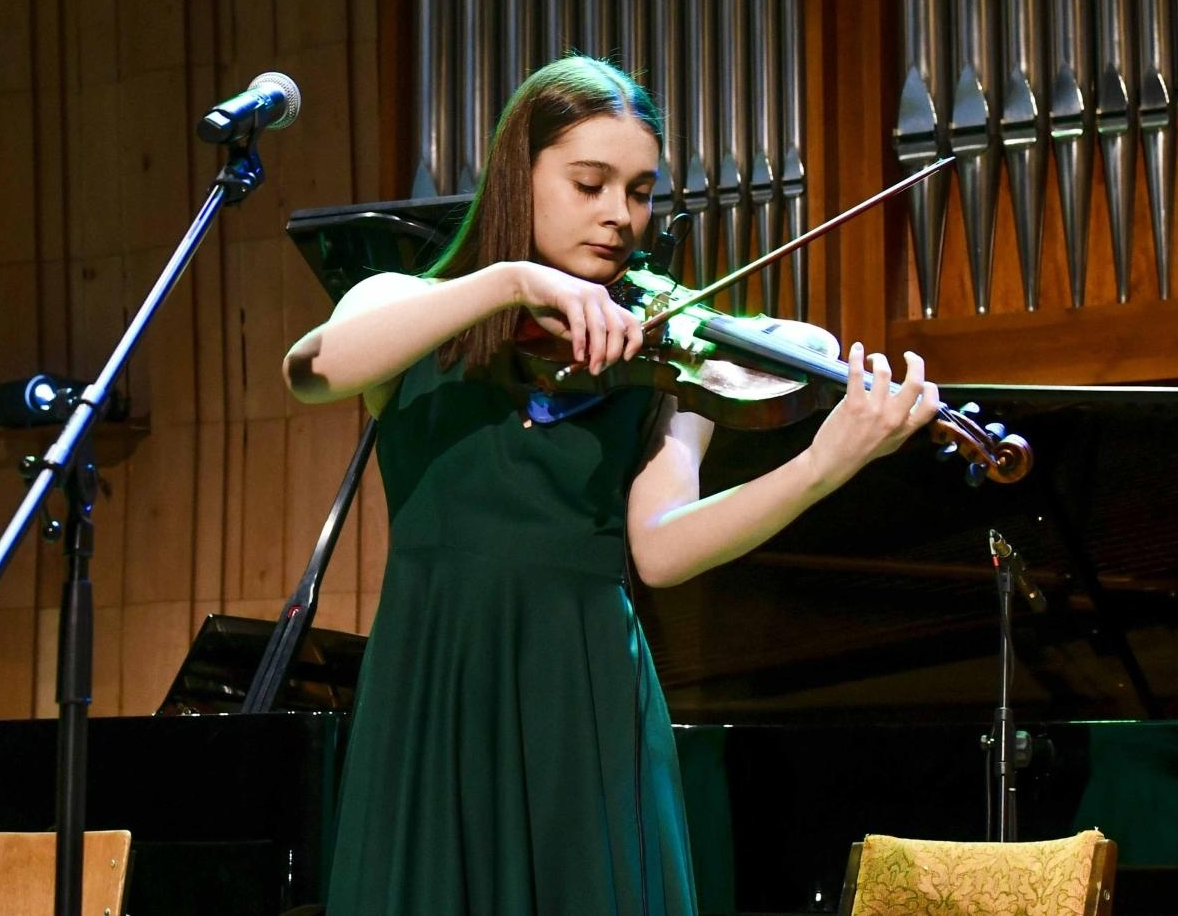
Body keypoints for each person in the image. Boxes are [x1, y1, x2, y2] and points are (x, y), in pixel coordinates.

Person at [283, 55, 939, 915]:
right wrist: (510, 281)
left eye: (639, 191)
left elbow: (660, 548)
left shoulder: (665, 346)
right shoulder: (405, 301)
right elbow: (313, 368)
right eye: (589, 183)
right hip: (434, 681)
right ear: (522, 175)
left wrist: (823, 465)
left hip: (584, 688)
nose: (618, 216)